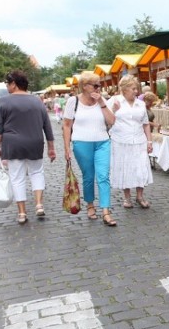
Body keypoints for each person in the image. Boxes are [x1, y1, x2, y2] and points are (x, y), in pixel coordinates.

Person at [0, 70, 56, 224]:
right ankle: (39, 204)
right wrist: (51, 147)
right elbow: (47, 126)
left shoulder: (3, 101)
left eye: (8, 84)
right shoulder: (37, 101)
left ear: (14, 84)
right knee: (37, 172)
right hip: (35, 142)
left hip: (13, 144)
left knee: (17, 178)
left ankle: (22, 213)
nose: (7, 87)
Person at [62, 72, 117, 227]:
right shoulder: (73, 101)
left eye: (99, 85)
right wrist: (67, 148)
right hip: (81, 143)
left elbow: (112, 121)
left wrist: (102, 103)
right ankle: (90, 204)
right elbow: (66, 125)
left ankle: (106, 211)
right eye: (95, 85)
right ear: (85, 86)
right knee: (88, 176)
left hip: (103, 142)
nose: (99, 88)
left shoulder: (101, 100)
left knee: (103, 176)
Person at [108, 75, 153, 209]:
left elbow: (145, 124)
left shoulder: (141, 104)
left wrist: (149, 141)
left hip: (139, 140)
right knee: (125, 168)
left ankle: (140, 196)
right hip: (121, 141)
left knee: (141, 168)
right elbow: (107, 120)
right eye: (133, 89)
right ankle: (127, 198)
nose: (136, 91)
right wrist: (114, 110)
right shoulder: (114, 101)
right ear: (125, 89)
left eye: (136, 88)